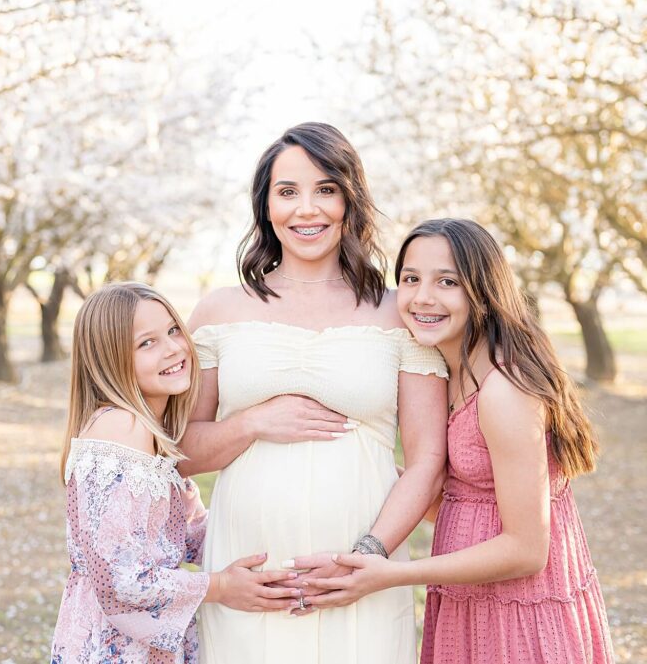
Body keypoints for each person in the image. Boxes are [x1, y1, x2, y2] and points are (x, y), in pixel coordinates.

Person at [178, 123, 449, 664]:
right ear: (266, 207)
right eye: (287, 192)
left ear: (351, 200)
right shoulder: (219, 311)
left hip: (360, 575)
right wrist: (253, 422)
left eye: (326, 189)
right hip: (251, 574)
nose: (307, 209)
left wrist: (367, 559)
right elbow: (180, 451)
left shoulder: (398, 311)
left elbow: (427, 461)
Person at [302, 219, 615, 663]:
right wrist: (360, 459)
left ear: (482, 291)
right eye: (411, 279)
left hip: (517, 615)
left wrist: (391, 574)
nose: (423, 297)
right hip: (469, 602)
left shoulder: (505, 391)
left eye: (446, 281)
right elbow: (462, 504)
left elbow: (527, 549)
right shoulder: (447, 374)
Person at [50, 282, 302, 664]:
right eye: (146, 343)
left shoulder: (149, 433)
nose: (172, 348)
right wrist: (220, 586)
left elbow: (183, 536)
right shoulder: (120, 428)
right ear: (109, 359)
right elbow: (118, 578)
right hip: (113, 646)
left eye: (172, 331)